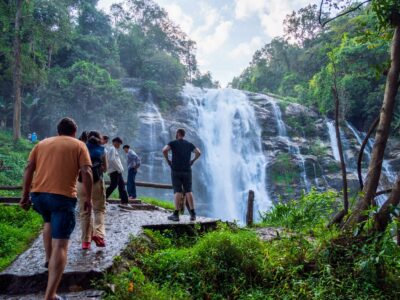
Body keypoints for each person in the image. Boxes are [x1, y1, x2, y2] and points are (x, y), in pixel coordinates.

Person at [19, 117, 93, 300]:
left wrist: (24, 195)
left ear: (58, 131)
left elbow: (29, 168)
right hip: (62, 197)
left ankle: (48, 259)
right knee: (61, 243)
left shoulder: (42, 143)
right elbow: (87, 172)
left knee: (47, 221)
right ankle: (50, 295)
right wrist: (89, 198)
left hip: (39, 196)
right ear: (74, 131)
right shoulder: (79, 145)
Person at [162, 128, 201, 221]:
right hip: (187, 170)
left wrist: (168, 160)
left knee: (177, 191)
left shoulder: (173, 143)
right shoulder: (189, 144)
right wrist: (193, 161)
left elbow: (164, 150)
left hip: (176, 170)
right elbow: (198, 152)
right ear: (184, 135)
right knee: (188, 190)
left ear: (177, 134)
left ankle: (176, 214)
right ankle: (193, 214)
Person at [78, 131, 108, 249]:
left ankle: (86, 241)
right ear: (99, 138)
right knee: (99, 210)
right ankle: (99, 235)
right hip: (97, 182)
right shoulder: (102, 150)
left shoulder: (81, 148)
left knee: (85, 212)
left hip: (81, 183)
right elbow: (105, 169)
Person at [106, 137, 128, 204]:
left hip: (116, 171)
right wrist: (119, 169)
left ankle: (124, 201)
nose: (119, 145)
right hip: (115, 171)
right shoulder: (112, 149)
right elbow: (112, 160)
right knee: (114, 186)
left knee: (121, 186)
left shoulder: (113, 149)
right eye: (119, 144)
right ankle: (102, 197)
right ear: (115, 142)